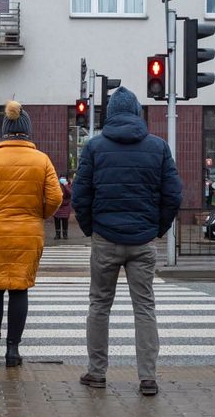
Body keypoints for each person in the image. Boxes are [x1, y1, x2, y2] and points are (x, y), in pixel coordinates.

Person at [73, 87, 182, 397]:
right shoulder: (158, 147)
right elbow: (173, 194)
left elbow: (81, 195)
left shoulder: (95, 148)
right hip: (143, 240)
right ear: (137, 113)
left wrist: (92, 228)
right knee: (144, 307)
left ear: (109, 115)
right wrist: (156, 229)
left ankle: (97, 372)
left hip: (105, 237)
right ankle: (148, 377)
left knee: (99, 306)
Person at [0, 101, 62, 368]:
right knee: (20, 289)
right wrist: (39, 214)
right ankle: (13, 351)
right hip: (28, 232)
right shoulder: (41, 160)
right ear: (27, 131)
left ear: (5, 130)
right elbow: (55, 197)